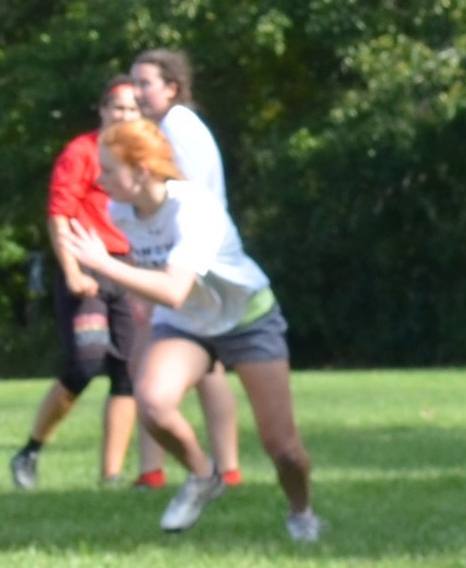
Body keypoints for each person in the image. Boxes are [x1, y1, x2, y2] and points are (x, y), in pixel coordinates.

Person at [62, 113, 321, 542]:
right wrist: (136, 297)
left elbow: (176, 288)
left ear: (141, 170)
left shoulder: (194, 207)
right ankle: (204, 475)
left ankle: (302, 514)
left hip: (245, 318)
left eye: (108, 169)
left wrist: (105, 266)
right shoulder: (120, 208)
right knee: (152, 402)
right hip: (187, 324)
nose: (99, 179)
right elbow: (149, 268)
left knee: (284, 448)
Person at [9, 79, 146, 493]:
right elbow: (59, 215)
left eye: (133, 108)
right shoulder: (82, 151)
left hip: (129, 268)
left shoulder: (144, 154)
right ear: (102, 110)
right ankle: (30, 450)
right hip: (87, 266)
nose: (124, 115)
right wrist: (72, 271)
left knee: (128, 374)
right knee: (84, 364)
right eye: (117, 107)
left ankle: (111, 476)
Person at [126, 48, 236, 485]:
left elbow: (184, 197)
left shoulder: (177, 126)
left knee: (153, 360)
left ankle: (160, 470)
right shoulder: (171, 125)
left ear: (172, 86)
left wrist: (156, 273)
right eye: (133, 83)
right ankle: (221, 469)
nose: (137, 93)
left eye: (145, 83)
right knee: (207, 367)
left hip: (191, 260)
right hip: (193, 259)